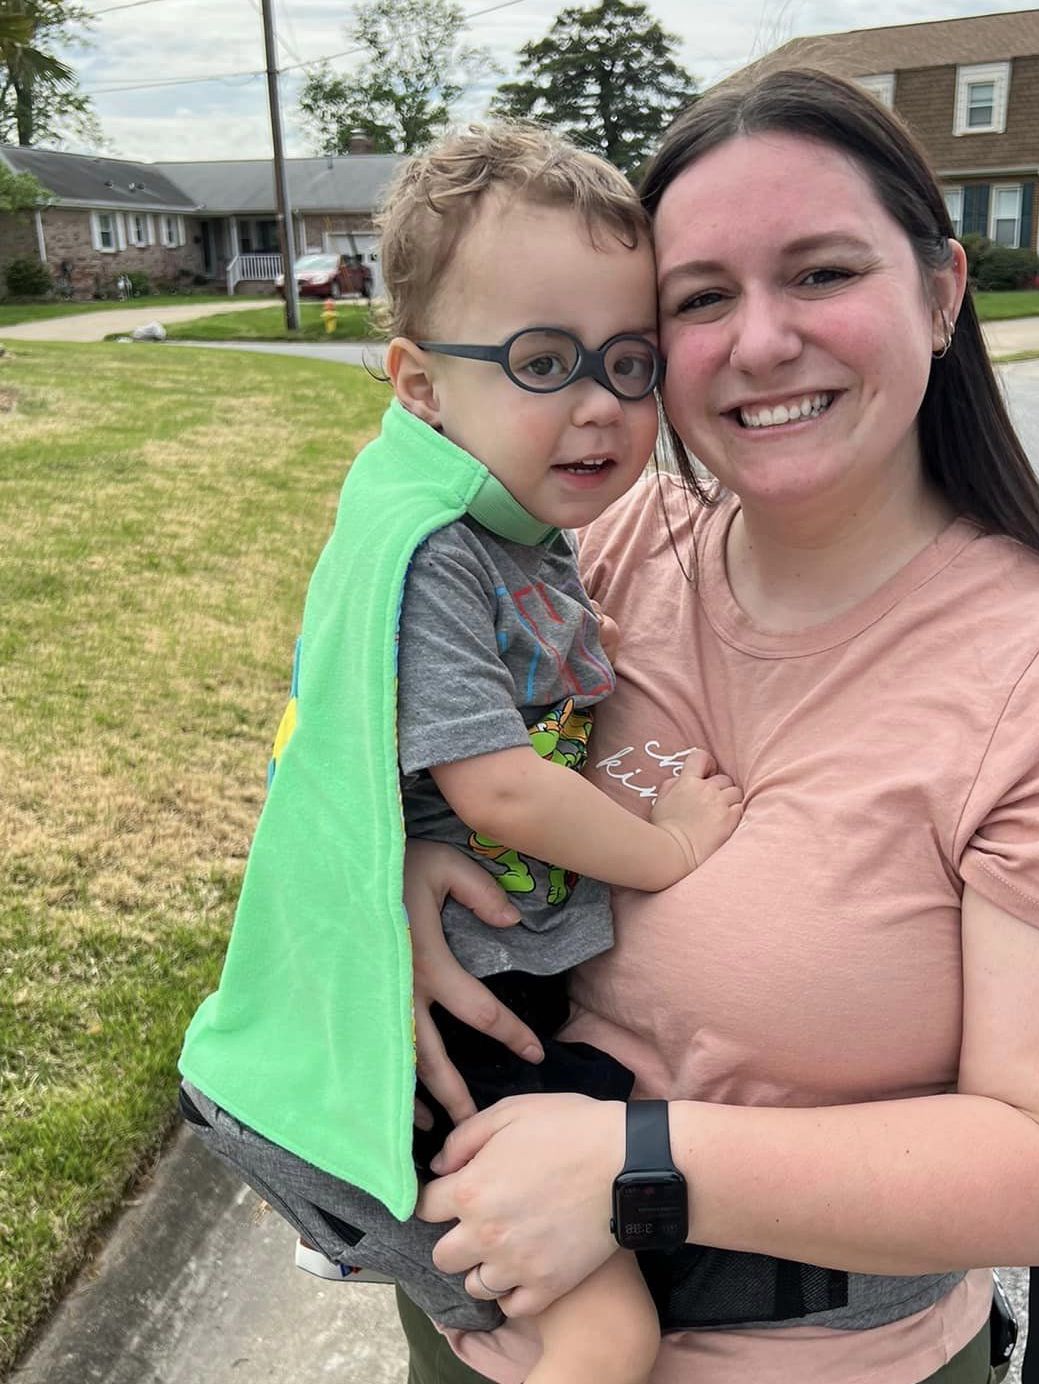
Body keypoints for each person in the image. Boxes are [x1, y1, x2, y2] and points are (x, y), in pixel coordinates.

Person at [393, 68, 1039, 1384]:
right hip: (477, 1320)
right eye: (701, 299)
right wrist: (414, 859)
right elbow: (414, 731)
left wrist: (636, 1171)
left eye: (823, 273)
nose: (761, 341)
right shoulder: (605, 552)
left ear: (943, 292)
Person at [176, 124, 744, 1384]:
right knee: (607, 1333)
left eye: (629, 360)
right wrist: (667, 848)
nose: (599, 401)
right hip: (436, 1036)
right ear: (420, 385)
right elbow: (492, 782)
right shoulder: (437, 554)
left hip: (505, 1001)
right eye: (543, 360)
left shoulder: (516, 530)